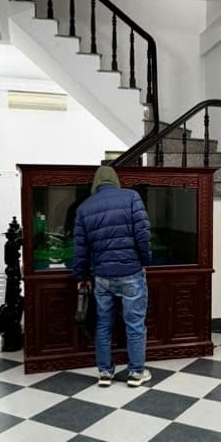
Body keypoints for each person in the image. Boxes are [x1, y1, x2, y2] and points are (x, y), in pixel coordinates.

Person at [72, 165, 152, 386]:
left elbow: (80, 248)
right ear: (115, 180)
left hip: (102, 277)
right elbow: (143, 234)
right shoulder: (131, 197)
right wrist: (145, 261)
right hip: (131, 272)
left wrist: (81, 276)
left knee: (103, 324)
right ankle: (136, 373)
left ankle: (105, 372)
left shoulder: (84, 207)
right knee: (135, 324)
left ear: (95, 184)